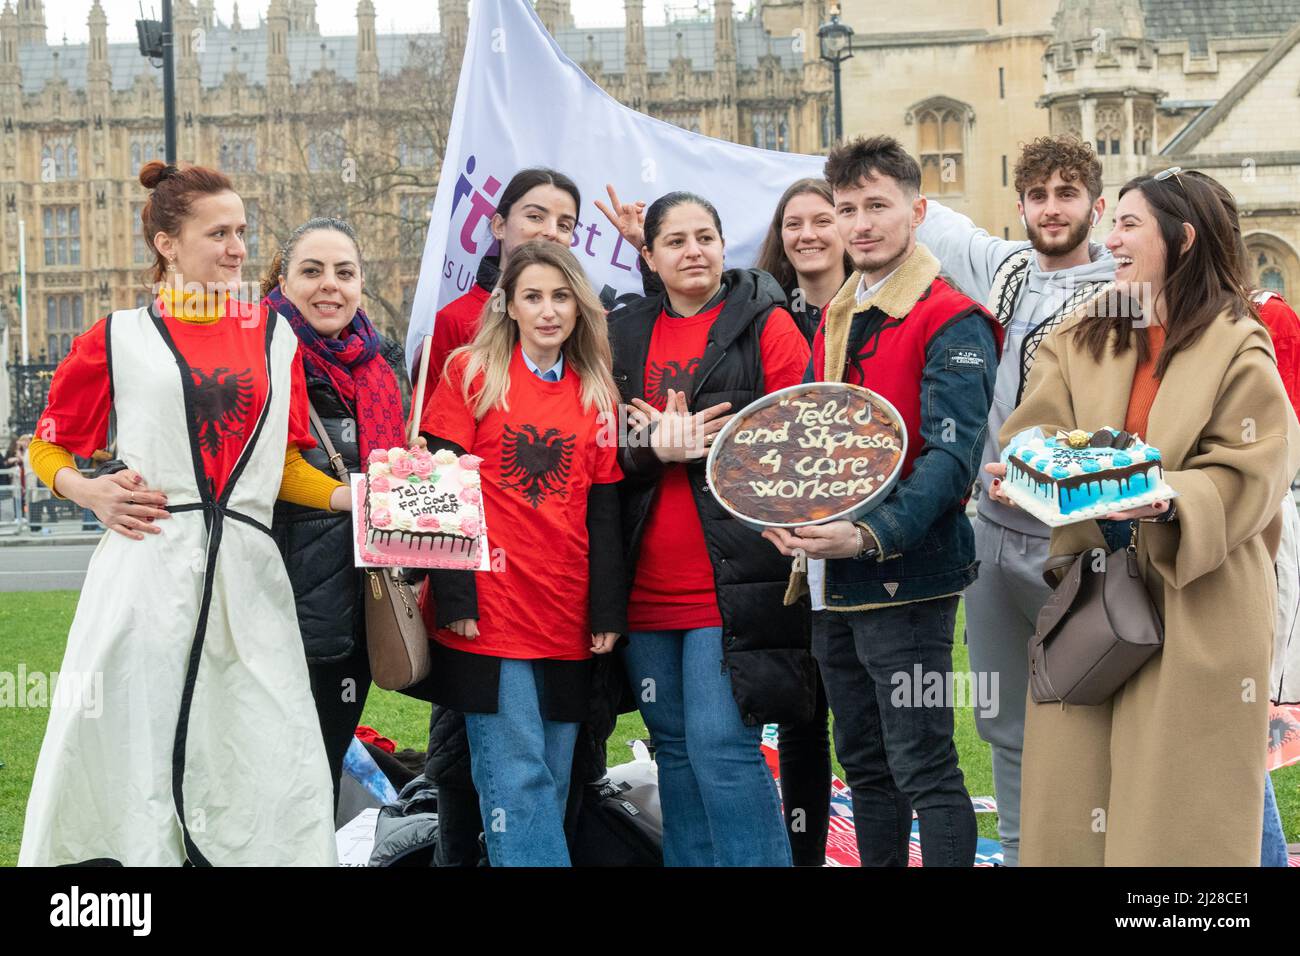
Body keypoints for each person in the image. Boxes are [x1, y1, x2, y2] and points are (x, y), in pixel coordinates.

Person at [19, 160, 346, 866]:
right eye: (219, 232)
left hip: (249, 584)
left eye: (242, 232)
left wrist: (352, 497)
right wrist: (91, 491)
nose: (236, 248)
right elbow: (47, 446)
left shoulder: (275, 338)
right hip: (147, 577)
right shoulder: (116, 337)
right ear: (168, 243)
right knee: (131, 760)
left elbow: (282, 468)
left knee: (265, 758)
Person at [987, 168, 1300, 866]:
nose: (1110, 238)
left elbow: (1256, 467)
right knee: (1075, 793)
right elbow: (1036, 431)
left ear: (1182, 237)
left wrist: (1173, 499)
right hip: (1095, 587)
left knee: (1183, 807)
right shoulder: (1087, 328)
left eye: (1128, 224)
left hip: (1201, 593)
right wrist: (1028, 474)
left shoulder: (1239, 341)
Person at [763, 135, 999, 867]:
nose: (859, 224)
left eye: (877, 206)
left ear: (917, 211)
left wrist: (867, 537)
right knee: (864, 764)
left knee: (923, 763)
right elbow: (811, 439)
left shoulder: (952, 317)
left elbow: (950, 461)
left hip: (909, 574)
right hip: (833, 579)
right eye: (846, 209)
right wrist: (785, 516)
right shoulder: (838, 310)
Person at [599, 187, 814, 867]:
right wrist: (653, 446)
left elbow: (802, 431)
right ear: (650, 256)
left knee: (723, 748)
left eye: (706, 237)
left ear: (725, 246)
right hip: (645, 585)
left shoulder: (765, 323)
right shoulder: (623, 331)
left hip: (731, 579)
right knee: (675, 751)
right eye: (676, 240)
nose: (694, 251)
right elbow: (598, 442)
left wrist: (713, 444)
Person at [913, 135, 1112, 865]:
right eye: (1038, 195)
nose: (1052, 209)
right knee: (1003, 721)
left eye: (1067, 194)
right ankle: (1028, 854)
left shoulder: (1131, 287)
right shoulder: (1007, 269)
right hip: (993, 536)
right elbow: (911, 208)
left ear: (1097, 203)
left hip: (1083, 539)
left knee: (1102, 708)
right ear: (1020, 205)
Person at [417, 239, 625, 867]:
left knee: (554, 779)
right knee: (516, 781)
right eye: (532, 296)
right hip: (490, 609)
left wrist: (608, 612)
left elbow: (605, 510)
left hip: (567, 611)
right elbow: (437, 489)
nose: (548, 310)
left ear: (580, 306)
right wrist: (454, 593)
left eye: (561, 296)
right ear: (507, 303)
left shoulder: (597, 392)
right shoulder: (469, 372)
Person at [263, 217, 409, 812]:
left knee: (323, 766)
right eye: (312, 271)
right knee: (269, 776)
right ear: (283, 279)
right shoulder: (263, 355)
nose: (331, 286)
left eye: (344, 273)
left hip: (359, 600)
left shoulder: (381, 364)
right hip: (275, 597)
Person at [1189, 168, 1300, 866]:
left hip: (1256, 532)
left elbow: (1278, 442)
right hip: (1182, 538)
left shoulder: (1268, 316)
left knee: (1241, 726)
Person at [753, 177, 852, 866]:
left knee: (873, 724)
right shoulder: (763, 313)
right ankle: (804, 857)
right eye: (795, 223)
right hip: (787, 548)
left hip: (864, 543)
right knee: (800, 716)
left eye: (825, 219)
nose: (809, 234)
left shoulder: (875, 312)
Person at [422, 167, 581, 393]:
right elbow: (430, 422)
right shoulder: (454, 321)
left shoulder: (583, 320)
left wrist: (643, 250)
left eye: (564, 225)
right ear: (499, 226)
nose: (551, 232)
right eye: (535, 217)